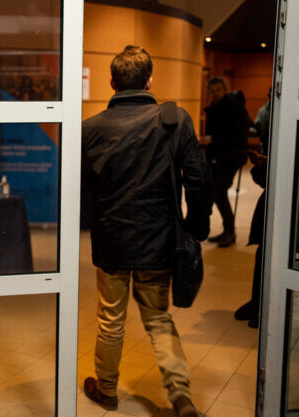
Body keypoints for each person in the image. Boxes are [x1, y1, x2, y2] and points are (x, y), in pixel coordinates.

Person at [82, 45, 212, 417]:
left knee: (111, 317)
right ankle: (181, 397)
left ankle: (106, 389)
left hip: (113, 241)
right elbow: (198, 179)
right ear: (150, 80)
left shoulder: (90, 129)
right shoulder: (174, 119)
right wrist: (195, 229)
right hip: (159, 239)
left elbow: (82, 186)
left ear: (112, 82)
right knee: (158, 317)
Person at [234, 87, 271, 328]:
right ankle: (257, 302)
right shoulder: (267, 115)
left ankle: (268, 308)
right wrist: (261, 163)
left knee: (273, 255)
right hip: (271, 198)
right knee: (262, 253)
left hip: (288, 208)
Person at [200, 77, 250, 247]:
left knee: (219, 192)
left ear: (225, 90)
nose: (215, 94)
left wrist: (212, 139)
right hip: (218, 157)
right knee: (216, 192)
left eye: (218, 90)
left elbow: (238, 135)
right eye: (212, 90)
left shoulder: (233, 108)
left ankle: (230, 232)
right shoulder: (214, 108)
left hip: (231, 157)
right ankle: (227, 230)